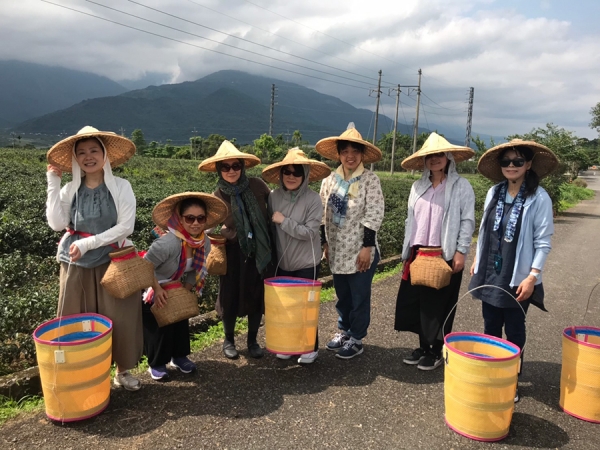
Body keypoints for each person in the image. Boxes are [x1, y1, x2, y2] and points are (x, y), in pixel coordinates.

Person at [46, 126, 143, 391]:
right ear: (76, 159)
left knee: (120, 316)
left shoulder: (121, 187)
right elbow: (56, 223)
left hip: (114, 260)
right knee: (76, 316)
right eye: (81, 153)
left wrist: (90, 242)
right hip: (75, 261)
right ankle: (84, 374)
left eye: (94, 150)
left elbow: (126, 227)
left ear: (104, 155)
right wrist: (52, 182)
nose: (88, 157)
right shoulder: (69, 190)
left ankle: (122, 372)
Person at [469, 139, 558, 402]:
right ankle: (492, 375)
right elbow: (485, 230)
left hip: (517, 274)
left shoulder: (538, 197)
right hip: (490, 270)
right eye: (506, 161)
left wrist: (533, 276)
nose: (511, 165)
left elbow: (543, 242)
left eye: (518, 161)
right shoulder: (494, 192)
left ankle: (511, 380)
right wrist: (476, 258)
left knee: (515, 328)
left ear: (528, 165)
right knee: (490, 325)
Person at [394, 133, 475, 371]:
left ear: (448, 157)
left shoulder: (461, 186)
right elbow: (411, 220)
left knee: (440, 302)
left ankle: (437, 348)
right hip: (419, 252)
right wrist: (406, 252)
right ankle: (423, 345)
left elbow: (467, 221)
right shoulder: (417, 186)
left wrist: (461, 251)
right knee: (418, 301)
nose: (435, 159)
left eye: (439, 154)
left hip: (445, 252)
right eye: (430, 156)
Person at [198, 140, 274, 359]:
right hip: (232, 254)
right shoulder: (217, 196)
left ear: (243, 166)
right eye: (225, 167)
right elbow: (208, 226)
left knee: (256, 296)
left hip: (259, 252)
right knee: (229, 297)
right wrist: (224, 232)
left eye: (235, 166)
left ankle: (252, 341)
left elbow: (273, 210)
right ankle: (228, 340)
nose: (231, 171)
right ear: (219, 170)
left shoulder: (258, 186)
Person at [316, 123, 385, 359]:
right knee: (342, 294)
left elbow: (374, 213)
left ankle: (357, 338)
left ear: (362, 154)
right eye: (345, 151)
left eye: (355, 151)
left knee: (359, 295)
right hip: (337, 249)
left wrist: (367, 247)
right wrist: (325, 243)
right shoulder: (329, 180)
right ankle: (344, 331)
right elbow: (323, 214)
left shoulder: (369, 180)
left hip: (359, 250)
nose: (350, 156)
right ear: (339, 154)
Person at [142, 192, 228, 381]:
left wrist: (185, 291)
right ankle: (156, 363)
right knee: (159, 327)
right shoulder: (167, 244)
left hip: (175, 284)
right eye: (190, 218)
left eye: (200, 218)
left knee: (180, 321)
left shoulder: (203, 241)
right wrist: (157, 290)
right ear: (179, 218)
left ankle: (179, 357)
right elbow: (145, 268)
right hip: (152, 286)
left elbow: (195, 269)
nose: (195, 223)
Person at [262, 148, 331, 364]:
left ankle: (310, 347)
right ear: (281, 174)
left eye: (297, 172)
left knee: (306, 308)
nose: (291, 176)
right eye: (287, 172)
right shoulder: (273, 197)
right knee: (286, 307)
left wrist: (284, 221)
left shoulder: (313, 200)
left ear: (305, 175)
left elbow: (310, 233)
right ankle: (289, 345)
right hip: (283, 261)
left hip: (305, 262)